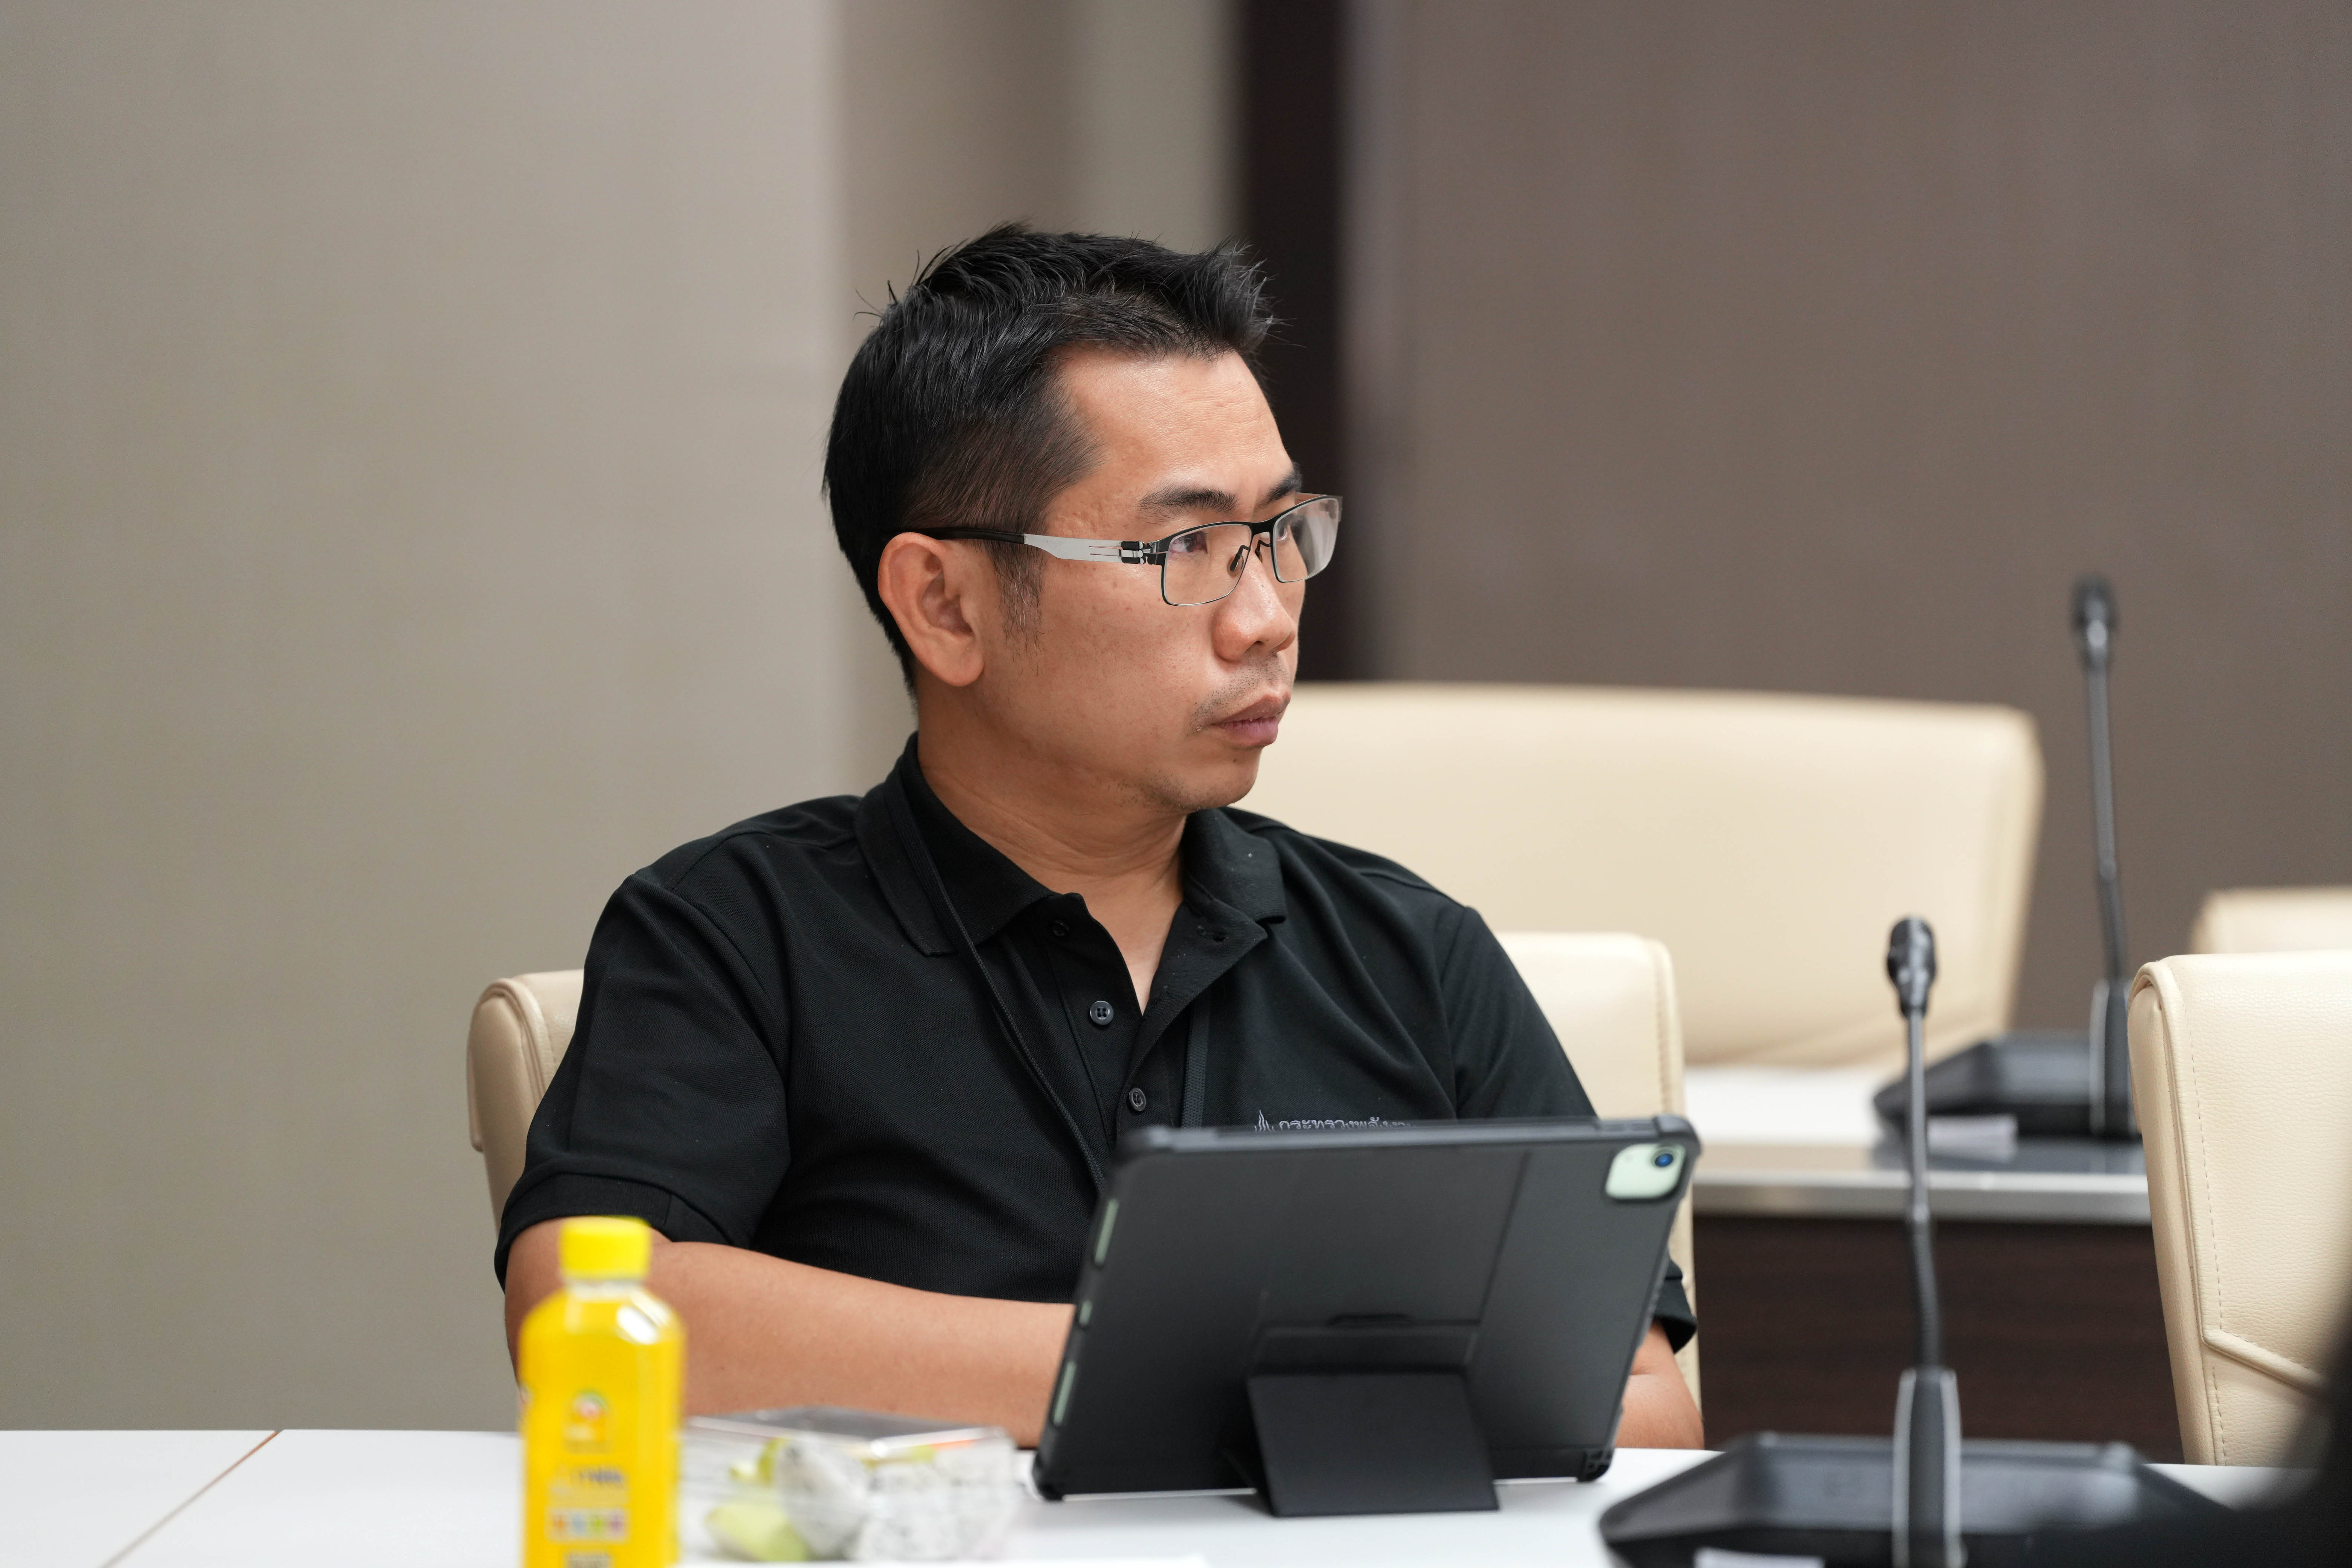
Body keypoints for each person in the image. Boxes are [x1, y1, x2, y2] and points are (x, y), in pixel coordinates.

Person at [497, 225, 1702, 1449]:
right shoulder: (739, 932)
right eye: (1186, 548)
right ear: (944, 605)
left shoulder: (1409, 953)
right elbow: (587, 1307)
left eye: (1281, 535)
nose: (1266, 618)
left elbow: (1645, 1403)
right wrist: (1226, 1365)